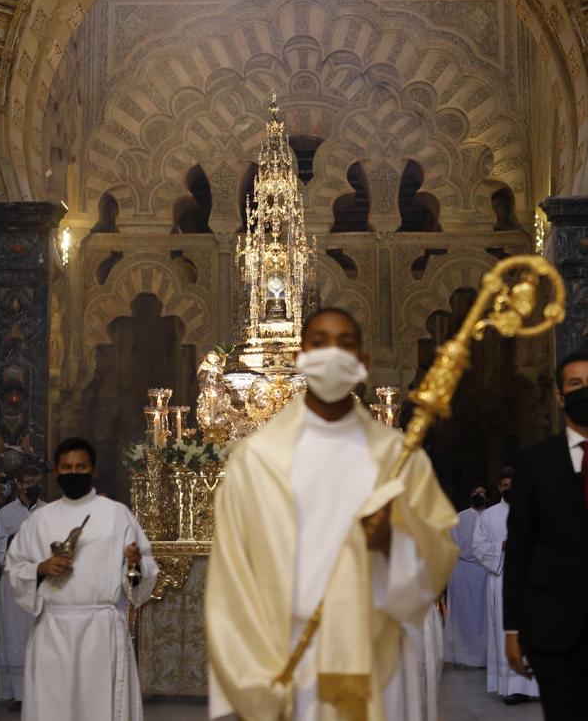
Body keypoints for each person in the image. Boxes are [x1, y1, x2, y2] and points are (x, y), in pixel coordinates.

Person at [206, 307, 458, 720]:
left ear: (363, 362)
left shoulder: (397, 457)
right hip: (290, 652)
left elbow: (441, 549)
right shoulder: (259, 459)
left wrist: (395, 542)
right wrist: (248, 675)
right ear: (300, 358)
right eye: (320, 343)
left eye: (346, 344)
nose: (332, 355)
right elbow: (232, 575)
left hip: (378, 648)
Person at [5, 437, 158, 721]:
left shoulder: (116, 515)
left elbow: (145, 570)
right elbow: (14, 569)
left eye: (81, 466)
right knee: (53, 708)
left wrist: (134, 564)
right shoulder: (40, 520)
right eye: (67, 467)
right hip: (53, 629)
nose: (74, 473)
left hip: (101, 631)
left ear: (93, 470)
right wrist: (40, 568)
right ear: (58, 472)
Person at [504, 350, 588, 720]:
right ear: (559, 395)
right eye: (576, 384)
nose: (584, 392)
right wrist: (512, 629)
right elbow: (519, 550)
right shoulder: (535, 462)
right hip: (555, 632)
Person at [472, 467, 539, 705]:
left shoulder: (535, 510)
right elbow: (478, 548)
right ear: (500, 487)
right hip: (501, 582)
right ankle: (513, 687)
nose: (510, 489)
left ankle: (536, 686)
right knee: (506, 632)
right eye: (505, 485)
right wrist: (501, 547)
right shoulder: (489, 516)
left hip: (532, 582)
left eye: (514, 484)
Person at [0, 466, 45, 712]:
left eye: (35, 481)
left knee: (39, 633)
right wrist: (9, 560)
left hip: (41, 582)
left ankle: (42, 693)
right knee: (14, 633)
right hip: (13, 581)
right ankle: (19, 694)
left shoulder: (48, 511)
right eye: (26, 481)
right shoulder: (6, 514)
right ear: (19, 484)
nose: (30, 485)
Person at [444, 484, 489, 668]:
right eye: (475, 493)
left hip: (486, 571)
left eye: (482, 493)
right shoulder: (459, 518)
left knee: (485, 617)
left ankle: (485, 657)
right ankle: (462, 657)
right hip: (462, 573)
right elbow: (449, 546)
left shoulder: (491, 516)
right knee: (462, 617)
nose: (478, 495)